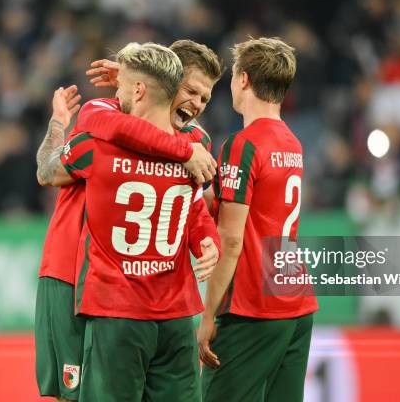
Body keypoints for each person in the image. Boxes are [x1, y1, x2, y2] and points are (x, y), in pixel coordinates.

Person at [34, 39, 224, 402]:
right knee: (69, 395)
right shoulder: (109, 117)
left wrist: (206, 237)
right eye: (191, 92)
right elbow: (51, 170)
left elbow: (194, 205)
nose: (196, 105)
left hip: (122, 294)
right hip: (68, 270)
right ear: (166, 83)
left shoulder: (192, 140)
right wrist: (60, 121)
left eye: (205, 99)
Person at [198, 37, 319, 402]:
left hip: (253, 308)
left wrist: (207, 317)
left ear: (244, 79)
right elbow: (240, 205)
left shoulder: (243, 144)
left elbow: (231, 239)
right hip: (295, 301)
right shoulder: (291, 142)